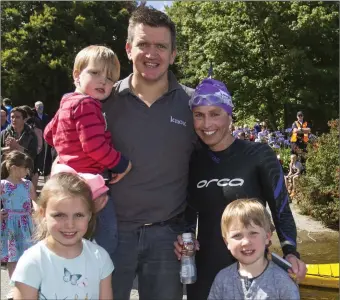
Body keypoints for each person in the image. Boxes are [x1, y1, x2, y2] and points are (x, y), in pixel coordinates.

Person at [174, 78, 306, 300]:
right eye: (199, 115)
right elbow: (189, 214)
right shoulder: (192, 160)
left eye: (215, 113)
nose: (207, 124)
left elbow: (281, 210)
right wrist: (184, 240)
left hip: (255, 273)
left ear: (229, 115)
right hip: (205, 275)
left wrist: (290, 252)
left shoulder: (259, 156)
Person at [102, 6, 196, 300]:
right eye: (143, 44)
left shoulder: (194, 105)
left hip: (168, 239)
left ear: (173, 54)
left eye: (161, 46)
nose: (151, 53)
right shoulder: (102, 101)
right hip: (110, 235)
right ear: (129, 49)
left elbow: (217, 165)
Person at [44, 45, 132, 261]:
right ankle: (96, 269)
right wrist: (122, 164)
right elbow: (94, 148)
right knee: (108, 237)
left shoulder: (67, 103)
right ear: (77, 75)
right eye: (95, 73)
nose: (103, 81)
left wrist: (66, 150)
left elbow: (48, 134)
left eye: (110, 78)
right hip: (90, 181)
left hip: (65, 179)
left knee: (68, 232)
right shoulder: (87, 105)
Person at [11, 172, 114, 300]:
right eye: (59, 215)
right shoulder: (32, 262)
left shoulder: (100, 258)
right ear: (43, 214)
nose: (70, 225)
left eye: (78, 215)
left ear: (89, 215)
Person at [208, 199, 300, 300]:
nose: (246, 242)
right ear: (227, 242)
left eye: (253, 233)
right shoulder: (222, 279)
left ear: (267, 237)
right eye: (237, 235)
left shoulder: (283, 282)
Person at [0, 151, 36, 300]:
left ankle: (28, 286)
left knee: (28, 256)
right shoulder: (3, 185)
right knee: (12, 258)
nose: (27, 171)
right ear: (14, 168)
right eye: (24, 168)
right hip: (10, 226)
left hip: (26, 224)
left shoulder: (28, 184)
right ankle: (14, 286)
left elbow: (35, 203)